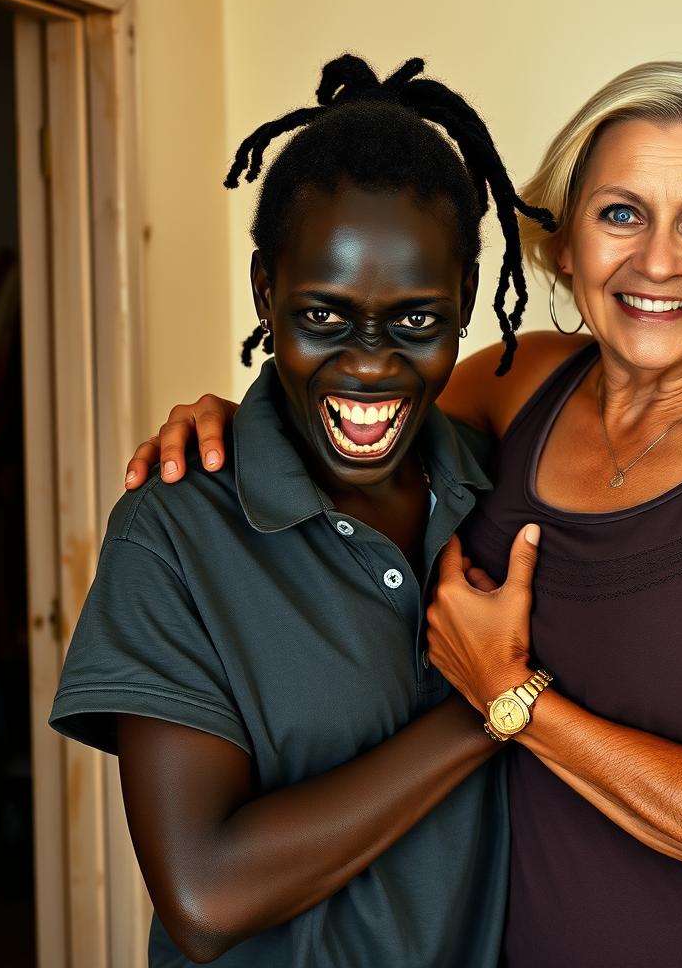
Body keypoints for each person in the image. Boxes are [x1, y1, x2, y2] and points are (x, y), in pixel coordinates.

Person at [127, 61, 682, 967]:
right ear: (565, 242)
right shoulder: (517, 383)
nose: (656, 260)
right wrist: (226, 424)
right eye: (621, 212)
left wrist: (513, 701)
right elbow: (358, 398)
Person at [50, 54, 555, 967]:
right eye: (323, 317)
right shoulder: (173, 531)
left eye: (416, 322)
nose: (368, 365)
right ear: (264, 294)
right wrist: (488, 707)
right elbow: (206, 894)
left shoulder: (501, 487)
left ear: (465, 307)